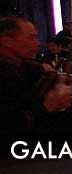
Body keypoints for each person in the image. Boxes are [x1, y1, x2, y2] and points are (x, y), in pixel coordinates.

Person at [0, 17, 49, 145]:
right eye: (31, 38)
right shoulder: (7, 75)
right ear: (7, 42)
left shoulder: (31, 69)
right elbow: (8, 126)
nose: (38, 43)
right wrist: (47, 107)